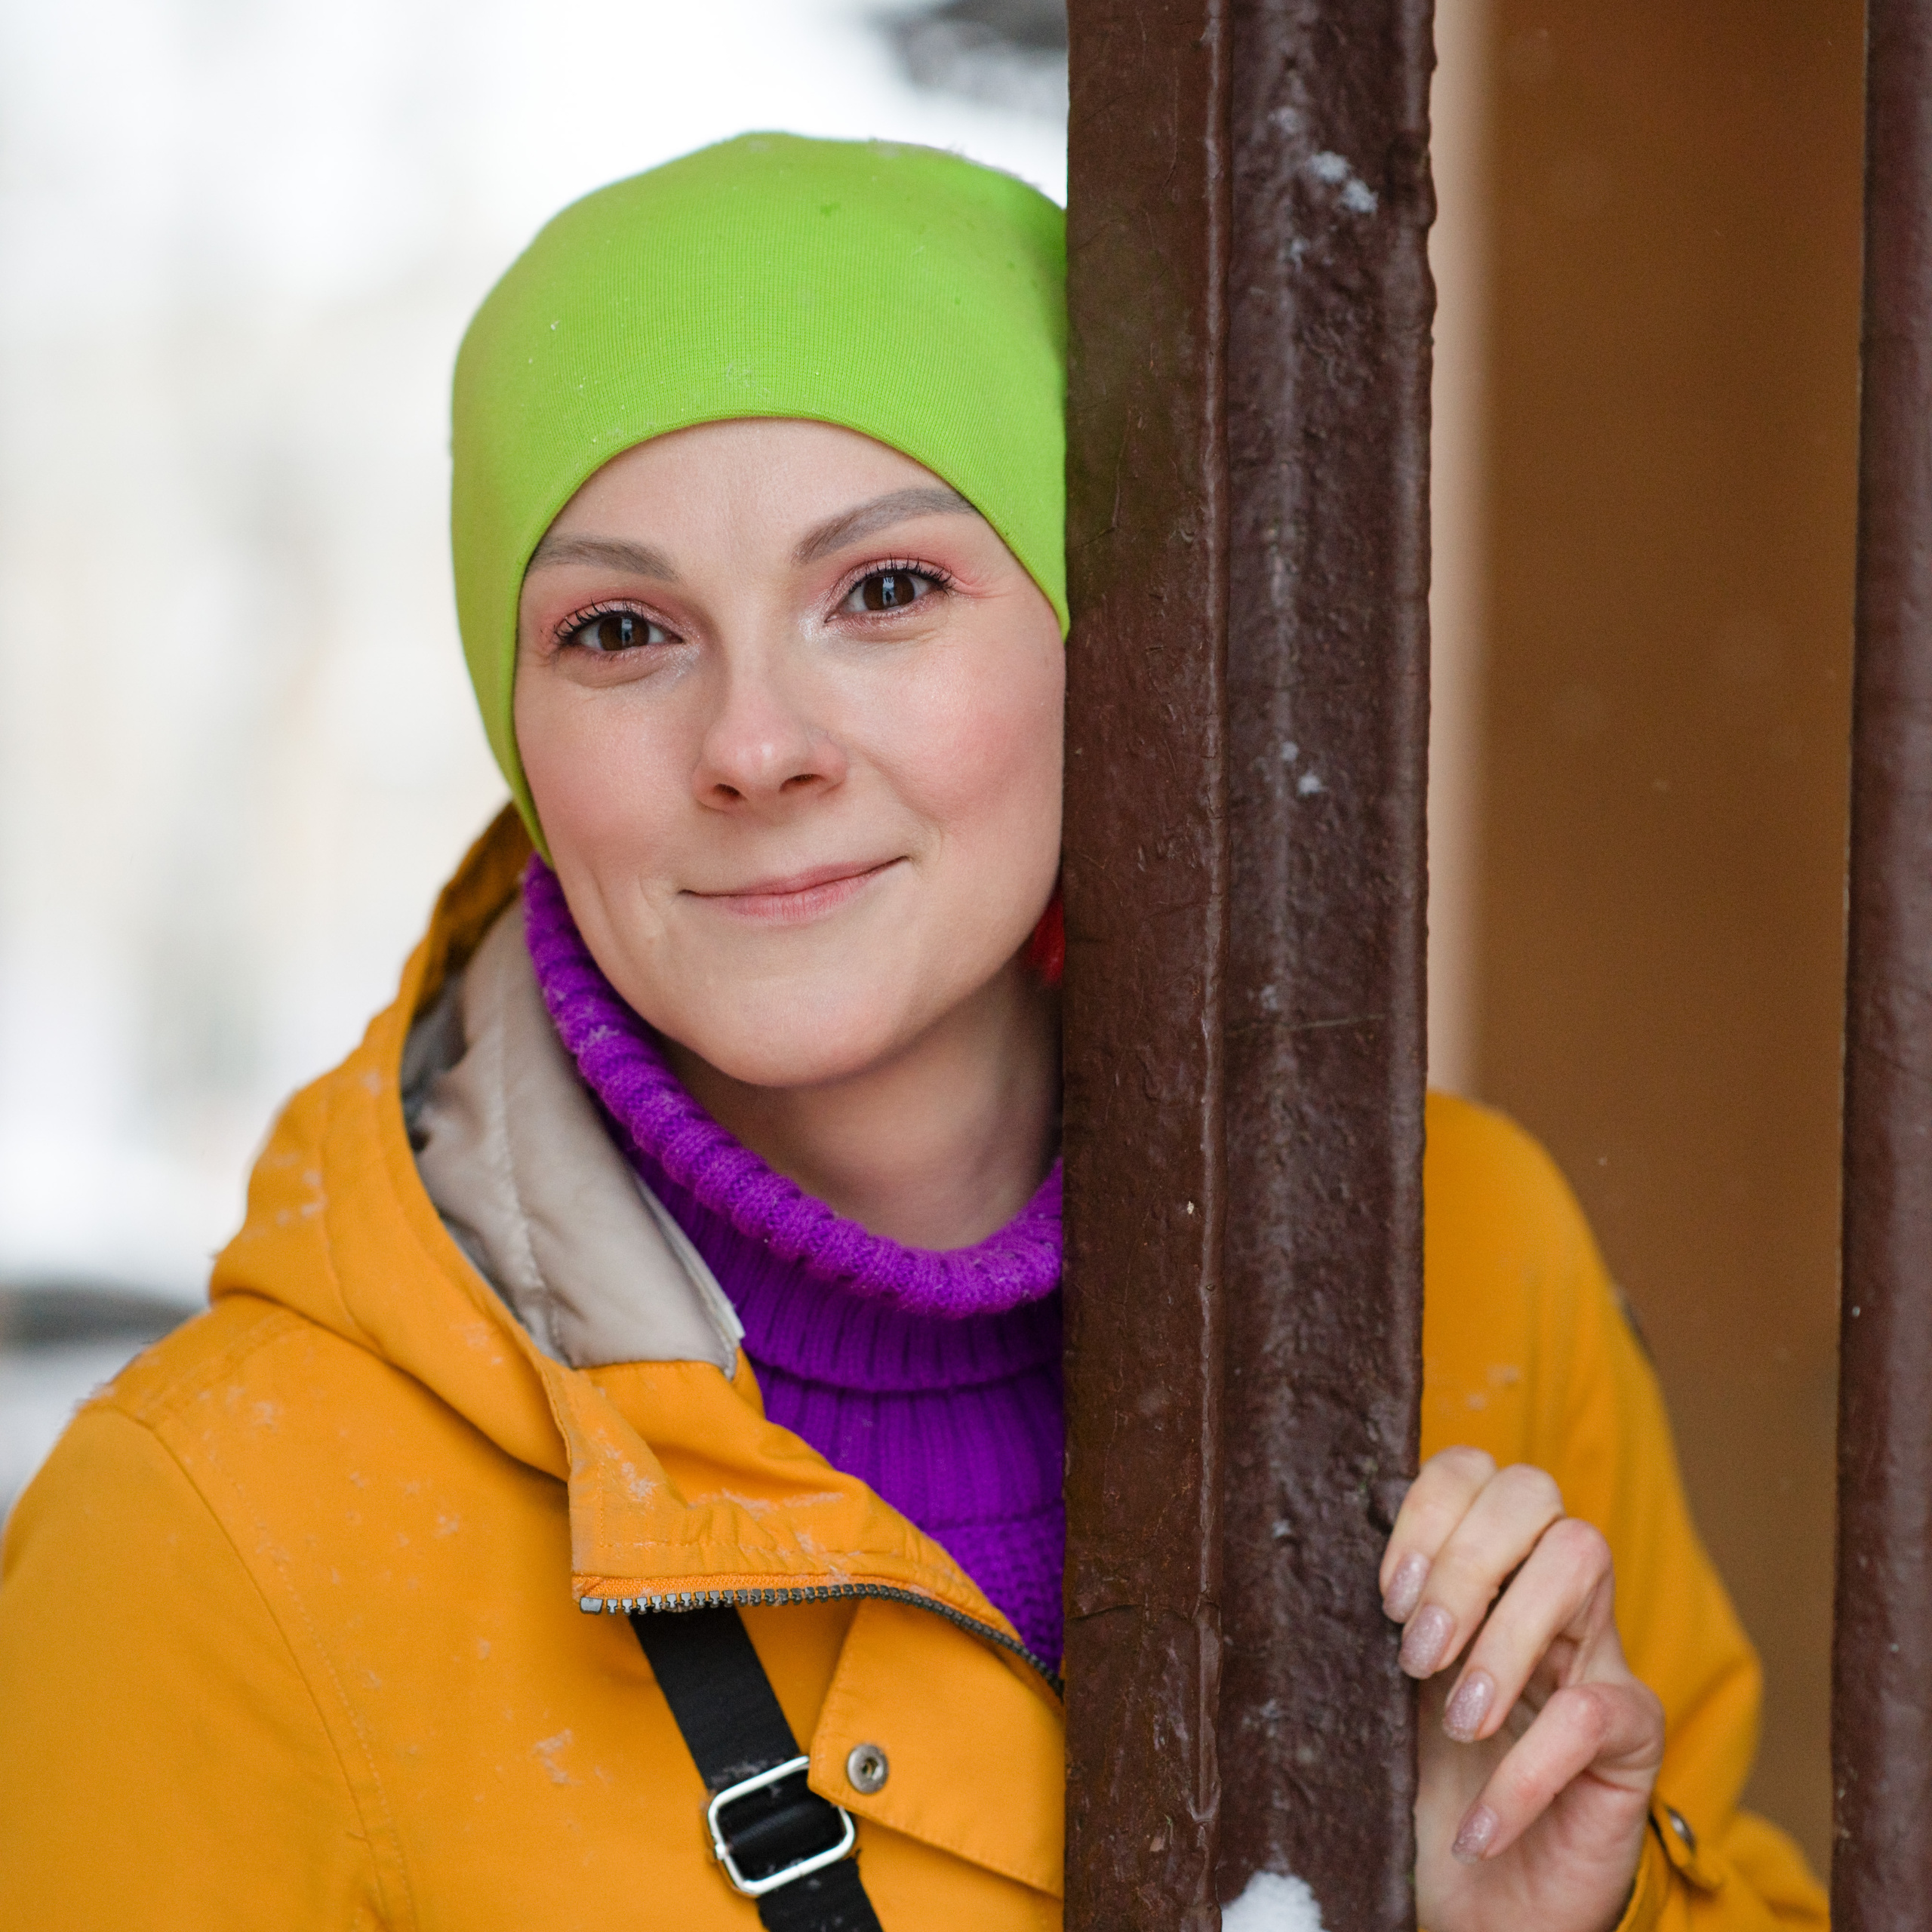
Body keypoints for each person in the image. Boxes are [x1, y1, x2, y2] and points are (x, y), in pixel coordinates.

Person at [0, 135, 1825, 1932]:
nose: (752, 744)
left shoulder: (1458, 1256)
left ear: (1096, 643)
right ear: (516, 727)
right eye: (622, 629)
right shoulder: (214, 1526)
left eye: (884, 590)